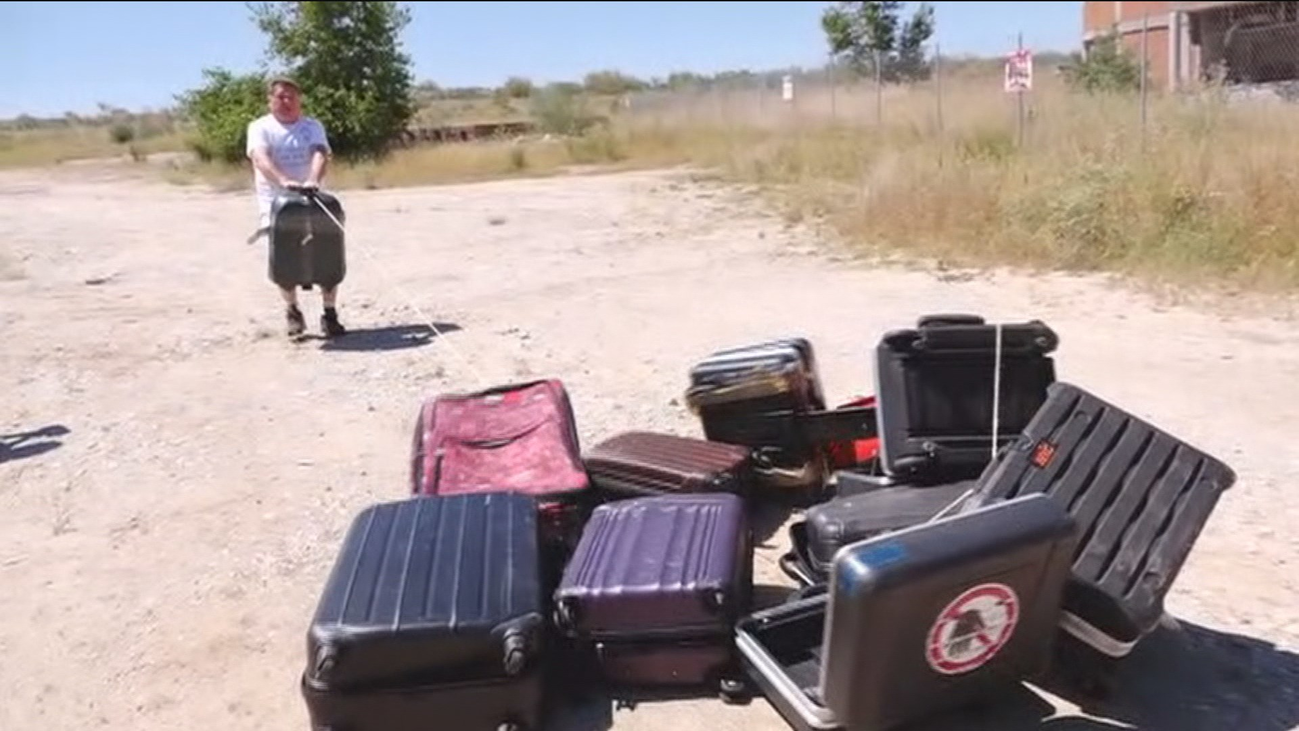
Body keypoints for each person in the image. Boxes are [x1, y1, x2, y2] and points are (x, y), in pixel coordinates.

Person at [246, 76, 346, 338]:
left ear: (299, 100)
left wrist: (312, 179)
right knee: (286, 260)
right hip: (277, 203)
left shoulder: (312, 126)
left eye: (292, 96)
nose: (287, 102)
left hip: (312, 199)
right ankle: (292, 310)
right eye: (280, 97)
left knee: (328, 253)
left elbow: (320, 152)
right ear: (270, 100)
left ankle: (330, 313)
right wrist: (283, 181)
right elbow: (260, 157)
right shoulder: (260, 127)